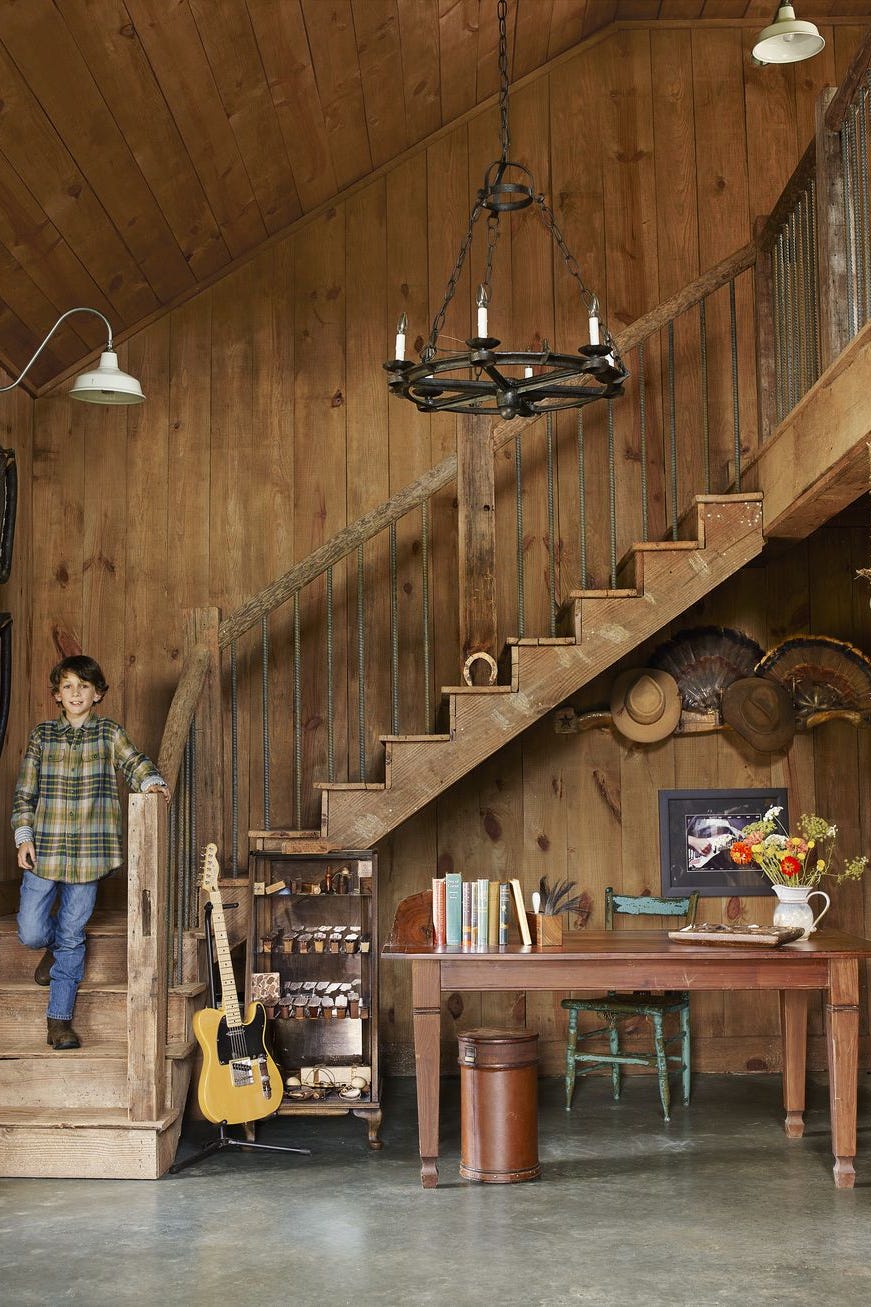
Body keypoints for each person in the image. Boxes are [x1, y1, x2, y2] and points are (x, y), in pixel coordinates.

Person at [12, 655, 170, 1050]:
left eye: (84, 686)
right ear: (57, 695)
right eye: (68, 686)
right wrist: (24, 836)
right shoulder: (42, 736)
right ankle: (49, 949)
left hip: (88, 854)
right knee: (30, 930)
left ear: (97, 693)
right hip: (44, 850)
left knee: (71, 936)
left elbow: (134, 762)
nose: (76, 693)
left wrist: (151, 782)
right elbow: (25, 793)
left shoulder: (109, 733)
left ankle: (59, 1022)